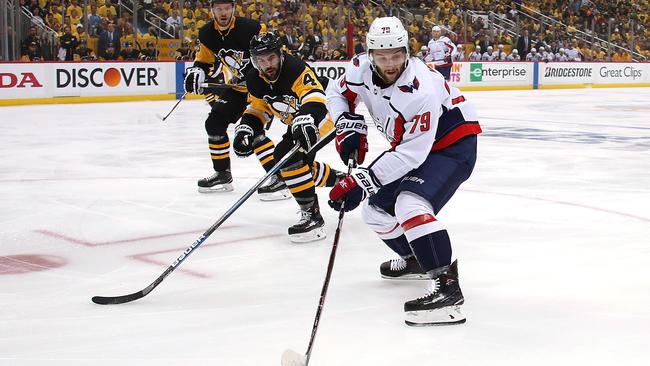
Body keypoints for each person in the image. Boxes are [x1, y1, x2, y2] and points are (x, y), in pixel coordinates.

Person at [326, 17, 482, 326]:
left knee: (409, 203)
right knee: (375, 212)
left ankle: (446, 291)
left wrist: (362, 180)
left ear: (406, 51)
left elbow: (412, 154)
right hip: (414, 145)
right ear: (371, 54)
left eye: (396, 55)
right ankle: (418, 259)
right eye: (382, 56)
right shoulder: (360, 67)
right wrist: (346, 122)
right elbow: (336, 91)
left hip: (452, 144)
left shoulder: (420, 89)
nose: (389, 63)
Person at [234, 32, 343, 242]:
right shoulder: (254, 79)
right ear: (255, 61)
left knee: (287, 157)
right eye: (261, 60)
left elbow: (314, 96)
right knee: (297, 167)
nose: (268, 64)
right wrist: (246, 127)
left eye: (271, 57)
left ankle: (313, 218)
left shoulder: (295, 68)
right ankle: (344, 181)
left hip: (325, 115)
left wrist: (307, 116)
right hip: (298, 122)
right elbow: (259, 109)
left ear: (280, 54)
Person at [184, 0, 289, 199]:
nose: (223, 13)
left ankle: (280, 177)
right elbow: (204, 60)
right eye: (219, 9)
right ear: (212, 10)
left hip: (261, 86)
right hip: (238, 88)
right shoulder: (207, 33)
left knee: (253, 130)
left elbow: (272, 56)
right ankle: (223, 174)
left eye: (227, 8)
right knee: (214, 123)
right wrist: (197, 70)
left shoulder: (252, 28)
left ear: (233, 9)